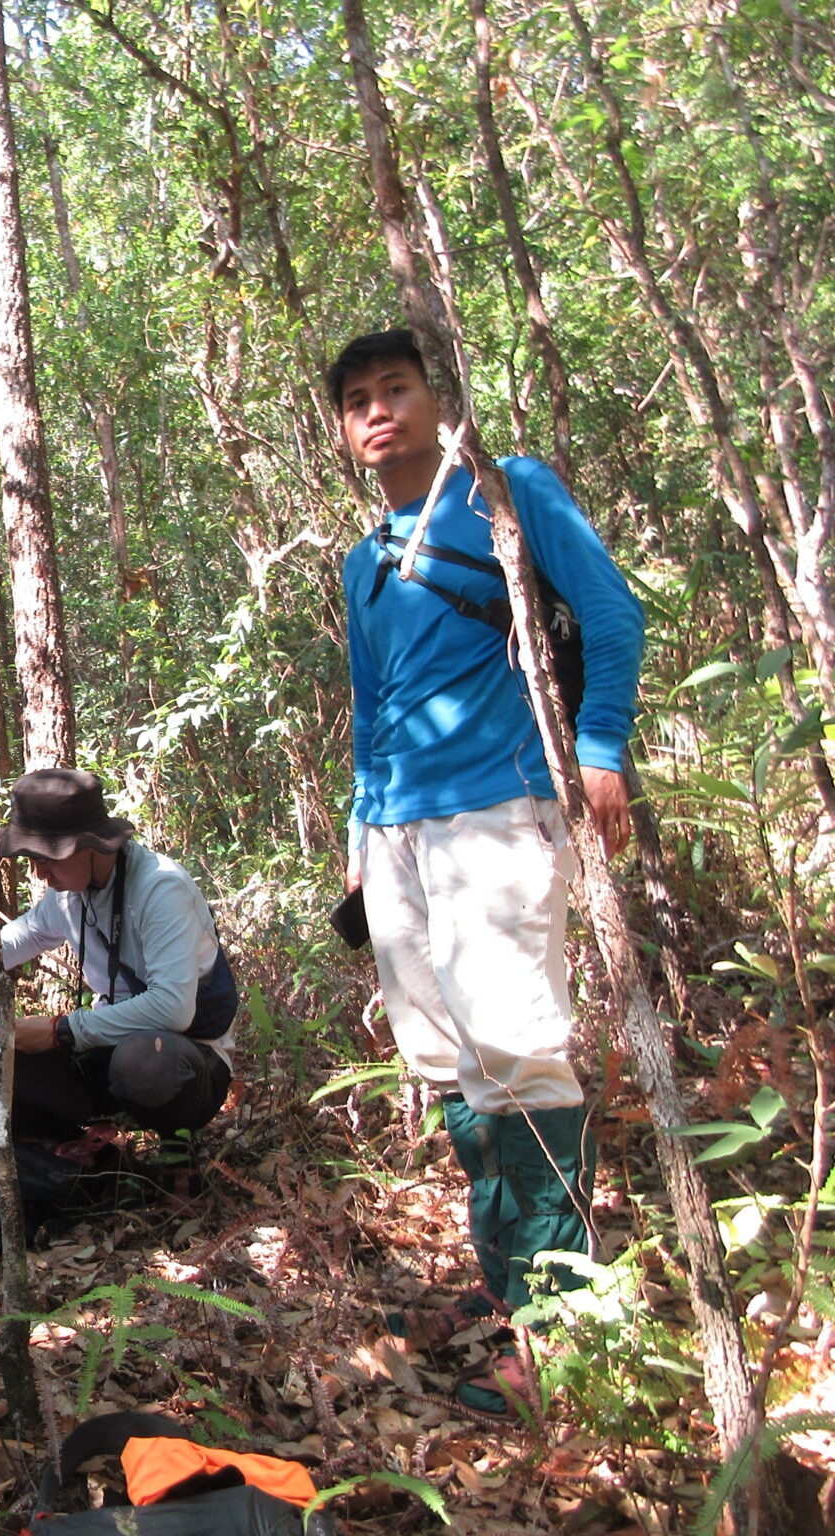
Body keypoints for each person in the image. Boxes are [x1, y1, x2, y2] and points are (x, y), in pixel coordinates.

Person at [330, 327, 644, 1421]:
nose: (379, 411)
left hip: (501, 803)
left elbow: (608, 614)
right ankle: (508, 1278)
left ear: (434, 398)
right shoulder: (359, 559)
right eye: (357, 399)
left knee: (515, 1045)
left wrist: (597, 748)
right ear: (341, 429)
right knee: (445, 1059)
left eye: (396, 389)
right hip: (399, 836)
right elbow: (370, 707)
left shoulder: (505, 492)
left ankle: (556, 1327)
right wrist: (361, 831)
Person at [0, 769, 238, 1146]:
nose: (40, 873)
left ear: (91, 846)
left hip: (186, 1060)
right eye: (33, 859)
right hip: (103, 1057)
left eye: (49, 859)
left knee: (144, 1060)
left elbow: (173, 1007)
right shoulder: (69, 892)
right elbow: (29, 931)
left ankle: (176, 1154)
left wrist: (60, 1031)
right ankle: (78, 1155)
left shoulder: (161, 887)